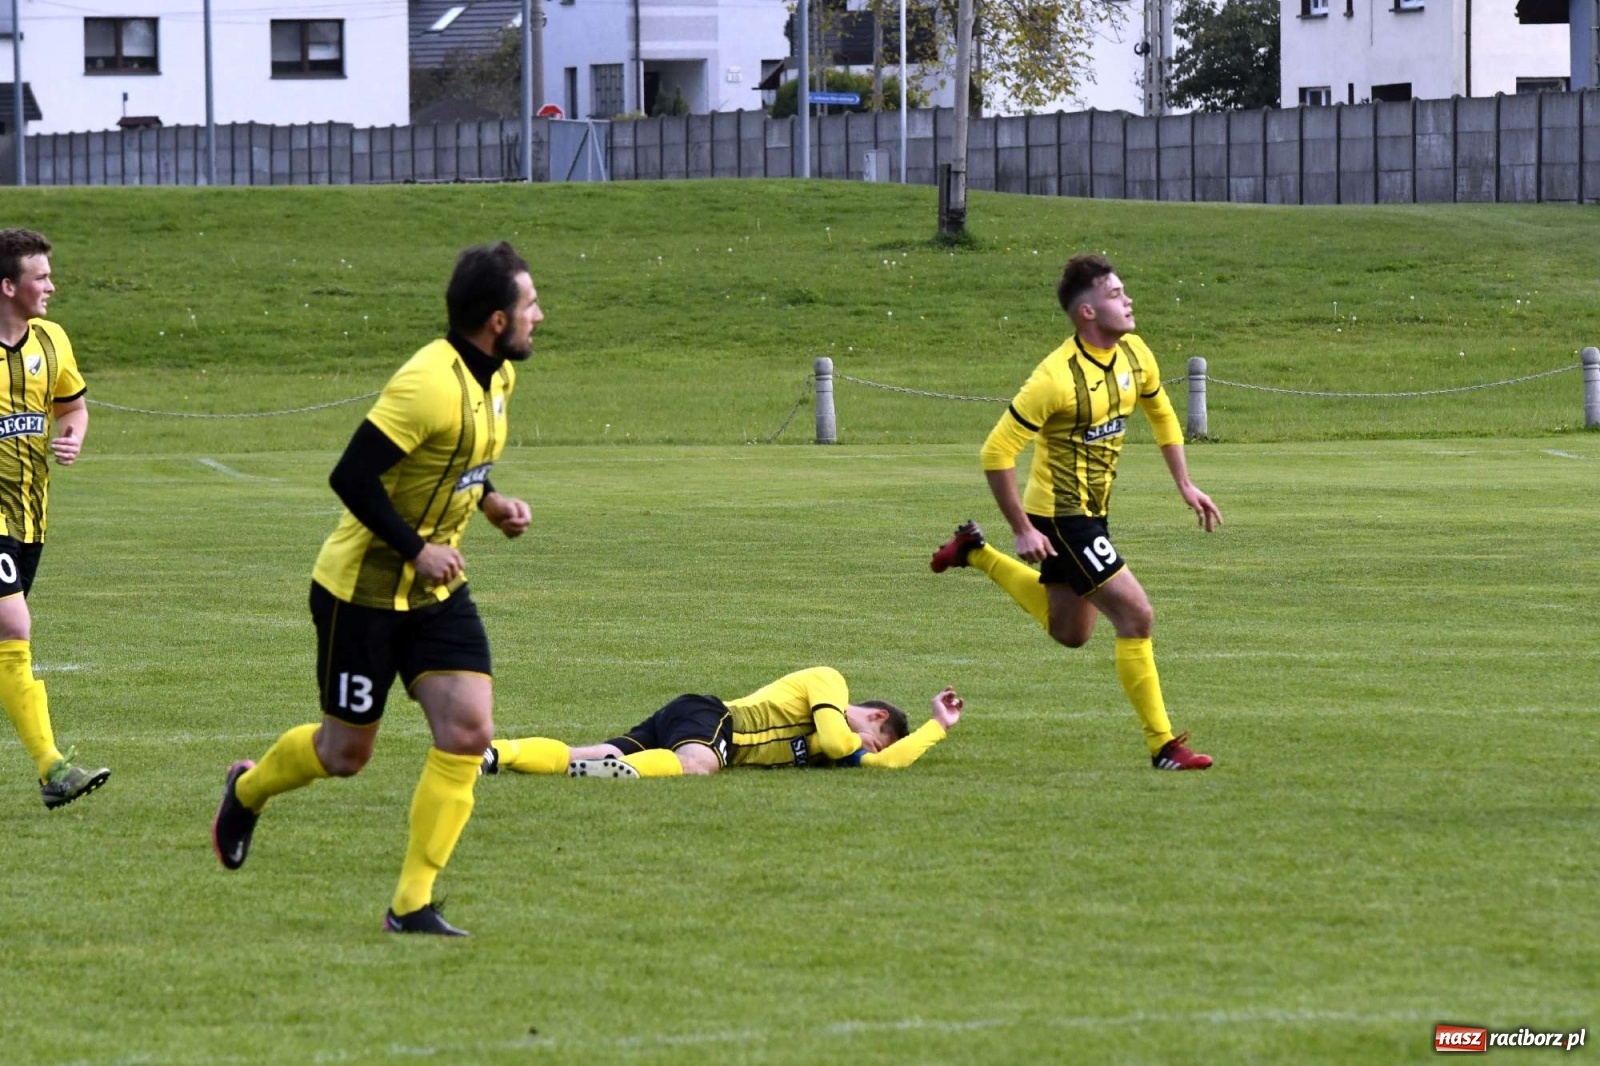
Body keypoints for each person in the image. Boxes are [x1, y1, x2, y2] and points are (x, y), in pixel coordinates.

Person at [211, 241, 541, 937]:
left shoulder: (499, 380)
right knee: (344, 755)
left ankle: (411, 905)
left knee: (469, 731)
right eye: (529, 305)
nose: (539, 315)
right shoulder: (428, 382)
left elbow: (460, 465)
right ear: (495, 321)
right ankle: (247, 790)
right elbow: (352, 477)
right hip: (358, 594)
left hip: (434, 595)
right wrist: (416, 548)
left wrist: (492, 504)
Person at [931, 253, 1221, 771]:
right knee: (1136, 614)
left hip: (1092, 513)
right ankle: (1164, 746)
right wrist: (1022, 528)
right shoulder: (1054, 378)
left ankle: (974, 553)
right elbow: (995, 452)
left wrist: (1184, 482)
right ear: (1086, 312)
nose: (1127, 300)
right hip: (1062, 519)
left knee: (1072, 633)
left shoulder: (1136, 355)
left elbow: (1161, 410)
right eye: (1115, 295)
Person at [0, 229, 110, 810]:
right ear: (8, 286)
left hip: (31, 515)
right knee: (13, 625)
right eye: (40, 277)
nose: (51, 286)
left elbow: (74, 407)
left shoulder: (52, 340)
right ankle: (53, 768)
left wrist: (72, 436)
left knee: (5, 638)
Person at [481, 666, 963, 778]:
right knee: (697, 764)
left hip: (697, 721)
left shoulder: (840, 739)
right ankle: (624, 774)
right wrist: (851, 741)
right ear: (876, 716)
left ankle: (497, 752)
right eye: (875, 740)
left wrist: (936, 726)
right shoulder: (830, 683)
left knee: (594, 753)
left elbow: (886, 766)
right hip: (714, 718)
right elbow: (838, 741)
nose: (866, 750)